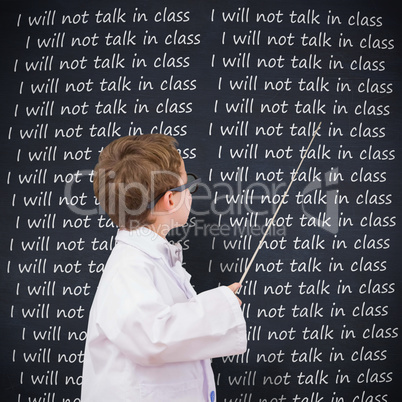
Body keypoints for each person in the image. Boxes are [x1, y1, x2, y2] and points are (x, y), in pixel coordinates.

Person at [81, 134, 247, 402]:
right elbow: (152, 338)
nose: (191, 191)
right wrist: (219, 307)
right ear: (170, 199)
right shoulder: (129, 266)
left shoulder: (150, 259)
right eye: (188, 184)